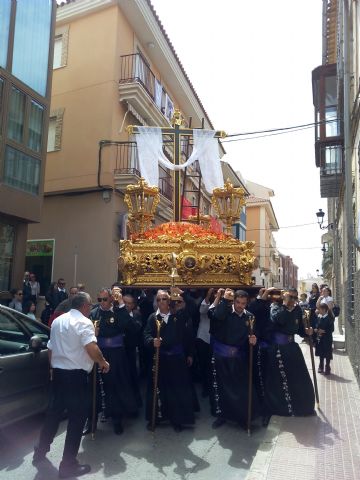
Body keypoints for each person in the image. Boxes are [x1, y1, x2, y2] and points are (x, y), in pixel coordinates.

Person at [32, 292, 110, 479]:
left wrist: (52, 369)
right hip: (75, 377)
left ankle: (40, 451)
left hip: (59, 374)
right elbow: (91, 347)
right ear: (84, 306)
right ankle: (68, 465)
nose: (91, 309)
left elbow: (51, 348)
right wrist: (103, 362)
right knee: (76, 421)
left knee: (53, 415)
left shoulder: (58, 321)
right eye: (90, 305)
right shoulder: (84, 322)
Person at [84, 287, 141, 435]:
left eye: (105, 299)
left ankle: (117, 420)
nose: (102, 302)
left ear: (111, 299)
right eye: (100, 300)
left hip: (116, 354)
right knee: (94, 387)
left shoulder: (118, 312)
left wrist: (121, 304)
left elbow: (131, 327)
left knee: (114, 386)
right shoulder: (94, 313)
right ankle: (91, 422)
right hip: (98, 353)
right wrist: (92, 334)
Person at [144, 288, 196, 432]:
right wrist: (152, 341)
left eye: (164, 299)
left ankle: (177, 419)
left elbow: (192, 308)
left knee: (176, 390)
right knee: (157, 389)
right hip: (159, 358)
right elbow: (146, 335)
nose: (161, 301)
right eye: (158, 299)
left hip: (177, 360)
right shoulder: (153, 318)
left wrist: (182, 293)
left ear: (170, 301)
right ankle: (156, 418)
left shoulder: (178, 316)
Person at [209, 288, 258, 430]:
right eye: (237, 302)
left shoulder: (250, 317)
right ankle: (222, 416)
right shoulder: (224, 312)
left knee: (240, 389)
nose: (240, 306)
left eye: (243, 303)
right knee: (222, 388)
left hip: (239, 358)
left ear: (247, 303)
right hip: (222, 357)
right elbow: (216, 317)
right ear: (233, 301)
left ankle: (241, 417)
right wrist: (224, 299)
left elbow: (254, 334)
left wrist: (254, 340)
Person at [264, 291, 315, 417]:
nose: (293, 299)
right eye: (290, 297)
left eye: (294, 297)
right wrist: (286, 307)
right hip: (278, 349)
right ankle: (282, 408)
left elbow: (299, 329)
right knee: (280, 380)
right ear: (283, 297)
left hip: (292, 348)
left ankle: (303, 406)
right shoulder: (276, 307)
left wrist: (307, 331)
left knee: (299, 377)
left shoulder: (297, 309)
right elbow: (277, 320)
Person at [123, 293, 143, 408]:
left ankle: (134, 404)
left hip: (130, 350)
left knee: (132, 377)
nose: (126, 305)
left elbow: (136, 329)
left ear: (133, 305)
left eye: (129, 303)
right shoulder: (115, 314)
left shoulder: (136, 315)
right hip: (119, 351)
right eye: (124, 302)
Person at [314, 303, 334, 375]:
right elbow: (317, 325)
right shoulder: (319, 317)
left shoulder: (329, 318)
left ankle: (327, 367)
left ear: (324, 309)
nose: (318, 310)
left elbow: (332, 329)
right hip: (320, 338)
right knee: (321, 353)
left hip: (327, 339)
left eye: (319, 309)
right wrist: (316, 329)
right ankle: (321, 366)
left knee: (327, 353)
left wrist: (323, 331)